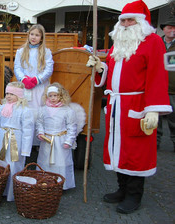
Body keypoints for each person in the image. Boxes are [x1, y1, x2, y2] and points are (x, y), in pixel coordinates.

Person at [86, 0, 172, 214]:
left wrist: (153, 109)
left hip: (138, 106)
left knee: (136, 152)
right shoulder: (119, 43)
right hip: (117, 105)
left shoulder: (153, 42)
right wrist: (100, 67)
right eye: (122, 20)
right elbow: (115, 71)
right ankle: (122, 189)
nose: (125, 23)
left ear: (141, 22)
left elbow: (157, 77)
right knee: (118, 149)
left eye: (130, 19)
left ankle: (134, 195)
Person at [0, 82, 34, 201]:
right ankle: (0, 190)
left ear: (19, 95)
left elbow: (28, 131)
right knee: (0, 161)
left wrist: (26, 149)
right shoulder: (1, 108)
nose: (8, 96)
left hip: (16, 140)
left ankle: (13, 192)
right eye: (7, 93)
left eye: (12, 94)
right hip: (2, 137)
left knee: (15, 163)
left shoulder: (25, 110)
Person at [14, 24, 54, 146]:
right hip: (25, 87)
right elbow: (17, 67)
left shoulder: (46, 52)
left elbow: (49, 69)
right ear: (28, 35)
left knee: (39, 114)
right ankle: (25, 141)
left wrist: (37, 80)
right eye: (32, 34)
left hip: (40, 88)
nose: (34, 37)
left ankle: (38, 141)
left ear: (41, 38)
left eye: (37, 35)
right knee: (25, 113)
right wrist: (23, 79)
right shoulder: (21, 51)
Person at [36, 82, 78, 190]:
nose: (53, 98)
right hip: (47, 140)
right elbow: (39, 122)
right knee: (45, 161)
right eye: (50, 96)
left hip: (60, 140)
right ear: (47, 96)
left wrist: (69, 141)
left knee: (60, 162)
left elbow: (72, 126)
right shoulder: (43, 109)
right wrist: (40, 132)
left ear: (61, 96)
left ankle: (61, 184)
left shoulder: (67, 110)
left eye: (55, 95)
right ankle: (45, 182)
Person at [157, 17, 175, 151]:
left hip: (173, 89)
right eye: (169, 28)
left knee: (173, 119)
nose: (172, 31)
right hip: (158, 87)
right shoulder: (157, 43)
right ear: (164, 29)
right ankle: (154, 143)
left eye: (174, 28)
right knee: (155, 119)